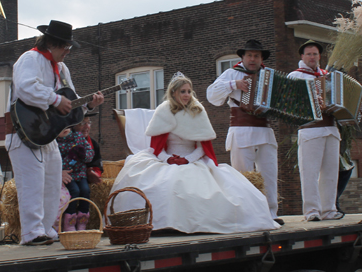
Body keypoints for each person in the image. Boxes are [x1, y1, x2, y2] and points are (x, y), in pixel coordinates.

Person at [109, 72, 280, 234]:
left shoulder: (197, 111)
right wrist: (169, 159)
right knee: (164, 185)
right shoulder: (164, 111)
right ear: (174, 92)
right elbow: (157, 148)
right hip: (167, 160)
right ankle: (163, 224)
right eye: (183, 91)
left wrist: (187, 159)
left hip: (193, 159)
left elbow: (201, 147)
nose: (187, 95)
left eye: (189, 91)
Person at [5, 20, 104, 245]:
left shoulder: (62, 68)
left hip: (47, 133)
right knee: (31, 182)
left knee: (50, 182)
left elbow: (71, 101)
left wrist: (89, 105)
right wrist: (55, 99)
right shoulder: (30, 59)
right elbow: (25, 87)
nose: (68, 51)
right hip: (25, 132)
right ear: (51, 43)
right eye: (65, 46)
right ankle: (31, 232)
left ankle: (47, 228)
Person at [206, 40, 282, 225]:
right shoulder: (232, 73)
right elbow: (212, 96)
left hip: (265, 130)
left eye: (256, 55)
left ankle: (271, 214)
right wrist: (234, 84)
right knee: (243, 176)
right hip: (241, 130)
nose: (252, 59)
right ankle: (247, 215)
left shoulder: (269, 75)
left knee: (269, 175)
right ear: (243, 57)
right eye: (249, 55)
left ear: (261, 58)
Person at [287, 40, 343, 221]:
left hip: (331, 129)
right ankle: (311, 212)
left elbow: (341, 101)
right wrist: (312, 99)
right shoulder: (295, 76)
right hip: (310, 129)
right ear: (302, 57)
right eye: (309, 54)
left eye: (315, 54)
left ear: (320, 56)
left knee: (331, 172)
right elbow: (289, 103)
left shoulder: (329, 76)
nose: (312, 57)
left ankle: (329, 210)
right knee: (309, 172)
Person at [58, 128, 94, 231]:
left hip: (80, 173)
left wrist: (84, 155)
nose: (65, 129)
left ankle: (82, 220)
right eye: (62, 127)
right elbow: (56, 162)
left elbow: (90, 154)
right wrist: (70, 157)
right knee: (74, 191)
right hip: (67, 174)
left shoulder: (78, 137)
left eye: (67, 126)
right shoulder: (55, 143)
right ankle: (70, 221)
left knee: (85, 191)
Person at [72, 112, 104, 185]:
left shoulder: (94, 144)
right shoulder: (65, 143)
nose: (87, 126)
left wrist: (93, 174)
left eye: (88, 123)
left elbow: (97, 165)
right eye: (83, 123)